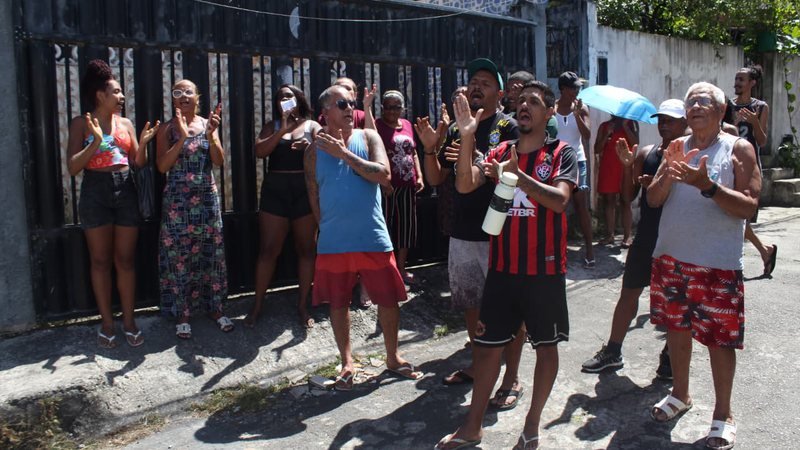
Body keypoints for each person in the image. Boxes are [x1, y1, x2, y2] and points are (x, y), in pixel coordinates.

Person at [436, 80, 577, 450]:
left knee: (546, 348)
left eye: (535, 101)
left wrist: (518, 176)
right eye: (522, 101)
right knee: (485, 350)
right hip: (502, 271)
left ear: (549, 113)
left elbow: (560, 201)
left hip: (544, 273)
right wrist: (467, 137)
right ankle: (472, 428)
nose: (525, 105)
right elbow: (465, 185)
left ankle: (531, 429)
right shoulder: (499, 150)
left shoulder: (562, 153)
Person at [646, 82, 760, 450]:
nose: (694, 105)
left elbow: (750, 207)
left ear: (722, 109)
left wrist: (708, 185)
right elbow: (653, 199)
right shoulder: (676, 147)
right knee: (677, 331)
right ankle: (680, 395)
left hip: (717, 265)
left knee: (718, 342)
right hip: (672, 260)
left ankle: (723, 414)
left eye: (704, 100)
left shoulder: (737, 148)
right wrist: (669, 168)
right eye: (690, 100)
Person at [417, 59, 523, 410]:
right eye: (473, 81)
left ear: (501, 93)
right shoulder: (455, 128)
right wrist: (430, 147)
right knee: (470, 305)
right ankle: (480, 366)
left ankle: (511, 378)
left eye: (486, 82)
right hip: (463, 231)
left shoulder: (509, 127)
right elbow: (434, 179)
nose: (477, 87)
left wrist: (472, 150)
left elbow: (505, 175)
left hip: (499, 232)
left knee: (507, 308)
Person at [304, 85, 422, 390]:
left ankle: (392, 357)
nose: (348, 109)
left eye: (351, 104)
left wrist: (344, 154)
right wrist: (325, 226)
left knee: (388, 298)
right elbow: (313, 195)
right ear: (324, 112)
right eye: (341, 103)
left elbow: (383, 174)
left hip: (372, 236)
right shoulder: (313, 151)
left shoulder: (367, 138)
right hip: (334, 241)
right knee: (338, 302)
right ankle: (346, 361)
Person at [581, 99, 687, 377]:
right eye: (661, 119)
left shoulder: (694, 155)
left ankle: (669, 357)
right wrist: (628, 165)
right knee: (628, 293)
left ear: (684, 123)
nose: (664, 124)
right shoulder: (648, 152)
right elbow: (628, 197)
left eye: (671, 120)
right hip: (647, 238)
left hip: (678, 241)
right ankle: (612, 351)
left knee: (673, 303)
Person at [67, 59, 158, 348]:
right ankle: (108, 323)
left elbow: (138, 163)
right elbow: (72, 167)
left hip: (125, 189)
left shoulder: (126, 124)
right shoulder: (81, 123)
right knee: (100, 260)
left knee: (125, 260)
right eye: (116, 92)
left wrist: (142, 144)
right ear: (100, 95)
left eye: (121, 92)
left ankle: (129, 321)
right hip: (95, 190)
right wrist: (94, 142)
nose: (121, 97)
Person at [156, 79, 232, 339]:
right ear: (173, 100)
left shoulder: (207, 124)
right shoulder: (167, 129)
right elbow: (162, 167)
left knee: (210, 255)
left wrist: (211, 136)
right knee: (179, 258)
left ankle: (215, 307)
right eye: (177, 92)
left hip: (206, 202)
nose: (183, 96)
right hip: (178, 204)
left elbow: (219, 160)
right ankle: (183, 313)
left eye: (188, 91)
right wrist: (179, 136)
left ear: (197, 97)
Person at [245, 85, 321, 329]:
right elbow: (259, 152)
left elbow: (327, 154)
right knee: (268, 250)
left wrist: (308, 147)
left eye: (289, 96)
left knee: (306, 249)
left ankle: (302, 305)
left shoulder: (312, 126)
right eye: (280, 97)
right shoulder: (272, 125)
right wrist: (282, 131)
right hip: (275, 190)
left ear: (299, 100)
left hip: (303, 190)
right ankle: (257, 305)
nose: (284, 100)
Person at [365, 90, 424, 282]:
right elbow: (372, 152)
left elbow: (413, 153)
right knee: (384, 227)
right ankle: (383, 269)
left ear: (402, 109)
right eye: (388, 107)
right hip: (387, 187)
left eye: (396, 107)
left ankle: (400, 267)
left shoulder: (407, 124)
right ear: (382, 108)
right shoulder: (378, 126)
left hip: (408, 185)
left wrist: (420, 175)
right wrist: (383, 182)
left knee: (405, 228)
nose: (391, 111)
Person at [726, 65, 776, 276]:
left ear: (752, 83)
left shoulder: (760, 106)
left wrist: (755, 122)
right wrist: (733, 125)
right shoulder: (728, 106)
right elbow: (724, 135)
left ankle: (761, 252)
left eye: (742, 80)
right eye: (736, 79)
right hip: (730, 164)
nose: (737, 83)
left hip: (750, 167)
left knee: (740, 215)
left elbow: (762, 141)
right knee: (733, 215)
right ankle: (764, 250)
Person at [555, 71, 594, 267]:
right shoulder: (551, 109)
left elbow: (586, 135)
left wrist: (577, 115)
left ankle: (589, 248)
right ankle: (556, 248)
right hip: (557, 161)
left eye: (578, 87)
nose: (577, 91)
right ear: (563, 89)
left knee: (581, 205)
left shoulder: (582, 108)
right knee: (556, 205)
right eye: (573, 88)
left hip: (578, 161)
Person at [595, 115, 638, 247]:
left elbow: (635, 142)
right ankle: (610, 235)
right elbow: (597, 149)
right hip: (608, 166)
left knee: (626, 200)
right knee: (609, 201)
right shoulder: (604, 126)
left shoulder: (631, 124)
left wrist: (625, 127)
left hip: (625, 167)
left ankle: (627, 236)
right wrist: (607, 134)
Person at [504, 71, 558, 139]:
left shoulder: (549, 120)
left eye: (516, 90)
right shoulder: (506, 118)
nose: (510, 95)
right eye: (508, 91)